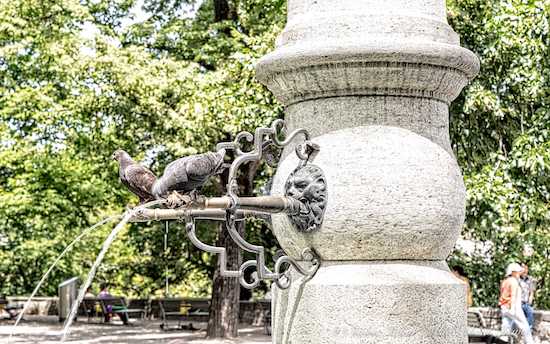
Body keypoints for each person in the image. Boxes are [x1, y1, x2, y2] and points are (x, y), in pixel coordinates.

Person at [498, 263, 534, 344]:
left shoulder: (504, 281)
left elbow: (502, 295)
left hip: (504, 307)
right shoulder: (514, 281)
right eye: (517, 272)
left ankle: (502, 342)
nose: (519, 273)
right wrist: (513, 308)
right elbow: (513, 295)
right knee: (525, 327)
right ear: (512, 272)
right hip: (513, 307)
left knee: (505, 329)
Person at [520, 263, 536, 330]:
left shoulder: (530, 279)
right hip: (518, 303)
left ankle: (528, 330)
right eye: (523, 268)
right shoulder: (517, 279)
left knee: (530, 313)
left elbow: (531, 292)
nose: (524, 270)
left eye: (526, 268)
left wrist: (529, 303)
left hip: (526, 303)